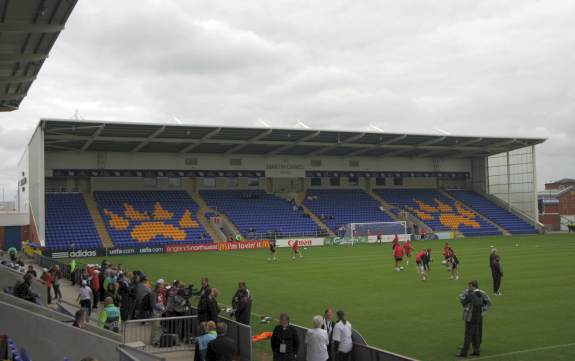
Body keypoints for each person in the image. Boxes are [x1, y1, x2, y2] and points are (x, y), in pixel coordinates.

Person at [457, 280, 492, 358]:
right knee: (475, 334)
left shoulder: (471, 294)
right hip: (478, 317)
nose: (468, 287)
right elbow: (487, 302)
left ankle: (464, 352)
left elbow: (462, 300)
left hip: (470, 317)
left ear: (473, 286)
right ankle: (476, 351)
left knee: (468, 335)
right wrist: (483, 311)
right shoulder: (481, 293)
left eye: (469, 286)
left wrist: (465, 293)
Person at [150, 279, 167, 346]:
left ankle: (156, 340)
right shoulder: (153, 293)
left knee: (157, 327)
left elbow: (160, 302)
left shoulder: (159, 293)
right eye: (161, 288)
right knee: (155, 327)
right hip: (155, 313)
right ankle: (154, 341)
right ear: (158, 287)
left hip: (159, 312)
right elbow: (153, 305)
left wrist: (163, 307)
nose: (162, 289)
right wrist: (162, 308)